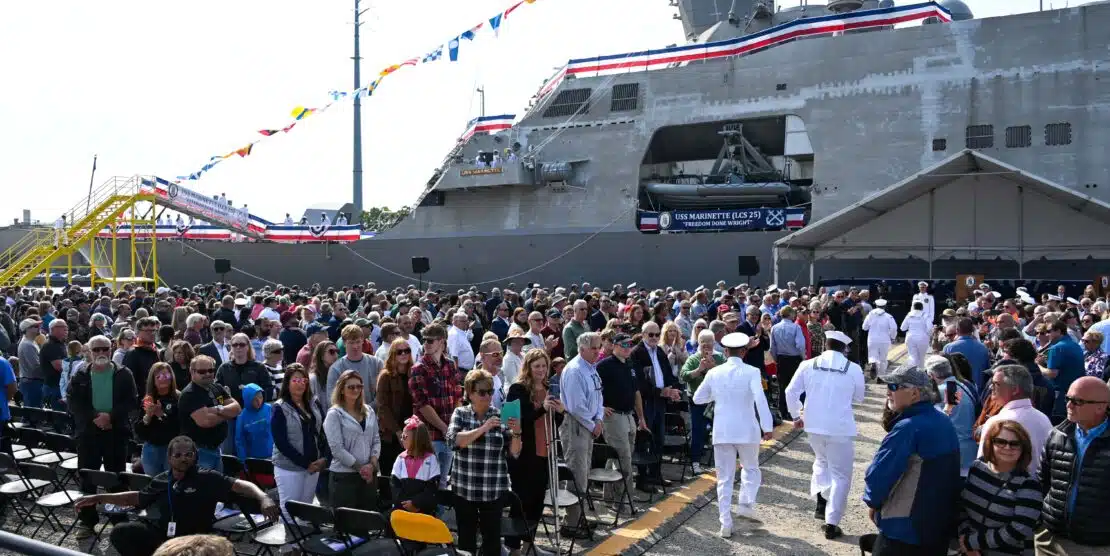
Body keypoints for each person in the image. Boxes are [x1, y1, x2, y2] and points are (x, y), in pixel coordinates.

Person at [73, 435, 279, 556]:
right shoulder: (162, 479)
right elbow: (135, 498)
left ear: (195, 456)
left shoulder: (207, 477)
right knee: (122, 532)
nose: (183, 459)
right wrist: (98, 498)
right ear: (170, 458)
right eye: (178, 455)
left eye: (189, 454)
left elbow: (241, 485)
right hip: (162, 535)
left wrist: (264, 497)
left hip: (195, 540)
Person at [863, 364, 962, 556]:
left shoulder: (907, 428)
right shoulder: (944, 421)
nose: (888, 392)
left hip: (903, 531)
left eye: (894, 387)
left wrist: (873, 503)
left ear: (914, 393)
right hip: (936, 528)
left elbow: (879, 476)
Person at [783, 330, 865, 540]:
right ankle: (832, 521)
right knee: (840, 475)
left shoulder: (808, 364)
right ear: (844, 348)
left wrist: (795, 415)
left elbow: (790, 392)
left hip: (813, 425)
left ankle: (821, 502)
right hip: (840, 428)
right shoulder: (853, 368)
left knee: (821, 461)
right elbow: (860, 397)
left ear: (824, 345)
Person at [692, 332, 774, 538]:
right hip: (747, 430)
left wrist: (717, 395)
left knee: (724, 479)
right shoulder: (752, 371)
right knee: (751, 468)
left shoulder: (714, 372)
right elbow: (760, 399)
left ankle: (725, 524)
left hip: (723, 431)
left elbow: (697, 398)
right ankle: (745, 503)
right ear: (744, 352)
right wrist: (767, 426)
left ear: (726, 352)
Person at [67, 334, 139, 539]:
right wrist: (95, 418)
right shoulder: (80, 374)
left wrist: (111, 417)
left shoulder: (124, 373)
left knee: (116, 478)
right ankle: (87, 522)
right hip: (88, 434)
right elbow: (73, 402)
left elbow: (131, 401)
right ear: (89, 352)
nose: (101, 353)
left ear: (111, 349)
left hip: (116, 433)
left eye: (104, 349)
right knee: (87, 479)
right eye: (96, 349)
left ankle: (119, 522)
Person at [447, 369, 523, 556]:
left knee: (492, 543)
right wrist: (483, 428)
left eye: (490, 391)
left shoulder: (500, 414)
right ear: (470, 393)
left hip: (492, 489)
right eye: (482, 392)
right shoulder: (460, 413)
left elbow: (514, 452)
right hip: (465, 489)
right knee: (466, 542)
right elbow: (454, 441)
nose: (488, 396)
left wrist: (517, 433)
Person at [1035, 376, 1110, 553]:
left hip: (1093, 545)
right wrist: (1040, 523)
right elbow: (1042, 480)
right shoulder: (1056, 434)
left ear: (1101, 406)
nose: (1069, 405)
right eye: (1068, 398)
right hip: (1049, 537)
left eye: (1078, 401)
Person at [505, 349, 563, 555]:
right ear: (528, 367)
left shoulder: (549, 388)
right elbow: (511, 421)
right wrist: (542, 409)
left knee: (538, 501)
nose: (541, 370)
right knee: (521, 501)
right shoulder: (517, 388)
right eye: (536, 366)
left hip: (545, 451)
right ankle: (513, 547)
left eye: (544, 366)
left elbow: (553, 423)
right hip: (523, 453)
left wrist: (560, 412)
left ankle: (529, 544)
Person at [957, 419, 1043, 556]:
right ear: (990, 443)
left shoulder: (1029, 485)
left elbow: (1018, 530)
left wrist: (972, 542)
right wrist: (966, 538)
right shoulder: (977, 468)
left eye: (1015, 444)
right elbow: (962, 507)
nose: (1007, 447)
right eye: (1001, 442)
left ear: (1024, 448)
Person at [558, 331, 605, 539]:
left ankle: (579, 517)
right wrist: (593, 424)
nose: (597, 352)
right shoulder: (575, 370)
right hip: (576, 426)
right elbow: (576, 406)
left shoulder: (591, 368)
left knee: (583, 473)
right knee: (576, 473)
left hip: (589, 424)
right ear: (582, 349)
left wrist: (599, 419)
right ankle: (571, 522)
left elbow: (599, 396)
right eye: (593, 348)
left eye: (598, 347)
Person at [408, 323, 463, 491]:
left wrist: (453, 426)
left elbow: (458, 396)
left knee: (443, 483)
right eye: (424, 340)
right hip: (429, 435)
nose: (426, 344)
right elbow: (422, 405)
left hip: (448, 433)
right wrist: (445, 428)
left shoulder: (450, 364)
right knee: (426, 484)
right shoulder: (418, 368)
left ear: (441, 341)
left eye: (430, 340)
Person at [270, 363, 327, 523]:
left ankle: (303, 538)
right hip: (289, 467)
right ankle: (288, 540)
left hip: (314, 466)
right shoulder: (279, 407)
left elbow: (323, 432)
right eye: (295, 380)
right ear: (287, 383)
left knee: (306, 509)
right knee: (289, 511)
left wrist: (323, 458)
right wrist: (305, 463)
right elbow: (281, 442)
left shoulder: (314, 402)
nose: (300, 384)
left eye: (303, 380)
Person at [976, 364, 1053, 476]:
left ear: (1015, 390)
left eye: (996, 384)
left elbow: (983, 468)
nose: (990, 387)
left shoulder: (998, 422)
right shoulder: (1043, 419)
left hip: (1005, 486)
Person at [324, 369, 381, 511]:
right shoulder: (334, 414)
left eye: (359, 386)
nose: (356, 390)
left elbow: (376, 439)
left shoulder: (369, 411)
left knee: (367, 518)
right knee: (346, 521)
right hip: (344, 479)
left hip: (368, 476)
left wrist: (372, 464)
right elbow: (337, 449)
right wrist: (360, 468)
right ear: (342, 389)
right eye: (351, 387)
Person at [179, 355, 241, 471]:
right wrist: (227, 413)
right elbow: (206, 421)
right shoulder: (190, 394)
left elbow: (237, 409)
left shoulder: (216, 387)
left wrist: (216, 409)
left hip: (216, 449)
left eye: (211, 370)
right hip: (199, 452)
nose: (207, 374)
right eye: (202, 371)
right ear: (192, 372)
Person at [679, 330, 725, 475]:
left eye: (709, 342)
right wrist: (699, 369)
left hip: (716, 401)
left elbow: (728, 375)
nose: (706, 345)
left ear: (713, 343)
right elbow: (683, 375)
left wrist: (713, 368)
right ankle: (695, 462)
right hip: (697, 401)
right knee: (697, 430)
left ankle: (722, 461)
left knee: (720, 430)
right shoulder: (693, 358)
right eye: (703, 342)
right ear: (699, 343)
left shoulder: (720, 357)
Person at [924, 355, 978, 476]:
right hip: (970, 449)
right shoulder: (964, 386)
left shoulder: (941, 391)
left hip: (953, 451)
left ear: (931, 375)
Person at [134, 362, 182, 477]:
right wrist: (148, 416)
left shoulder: (179, 398)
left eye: (166, 376)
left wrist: (161, 415)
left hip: (172, 449)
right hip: (151, 449)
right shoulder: (148, 399)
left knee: (171, 482)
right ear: (153, 380)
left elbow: (179, 427)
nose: (163, 379)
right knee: (153, 482)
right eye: (159, 376)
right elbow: (139, 431)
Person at [389, 416, 440, 515]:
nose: (401, 439)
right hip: (402, 509)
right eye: (401, 436)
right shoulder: (400, 458)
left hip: (423, 511)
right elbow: (394, 486)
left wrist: (416, 504)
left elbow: (432, 488)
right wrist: (406, 505)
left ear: (417, 439)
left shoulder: (431, 459)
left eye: (404, 436)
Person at [234, 383, 274, 462]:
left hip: (272, 455)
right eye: (254, 399)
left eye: (260, 397)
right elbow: (239, 441)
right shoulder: (242, 416)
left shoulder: (269, 409)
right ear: (248, 400)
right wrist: (243, 461)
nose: (259, 401)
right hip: (253, 458)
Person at [862, 299, 898, 381]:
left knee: (873, 355)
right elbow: (893, 328)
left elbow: (864, 327)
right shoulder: (888, 316)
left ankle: (873, 363)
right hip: (884, 340)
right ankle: (881, 377)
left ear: (876, 306)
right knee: (883, 359)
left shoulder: (870, 315)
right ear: (884, 306)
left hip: (872, 339)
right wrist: (892, 337)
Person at [900, 302, 931, 368]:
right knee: (921, 357)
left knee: (912, 357)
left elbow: (902, 328)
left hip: (910, 338)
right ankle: (920, 371)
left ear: (913, 308)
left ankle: (912, 371)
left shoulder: (909, 315)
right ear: (922, 308)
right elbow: (930, 328)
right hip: (922, 338)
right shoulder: (926, 315)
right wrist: (928, 335)